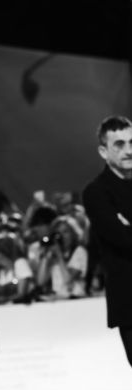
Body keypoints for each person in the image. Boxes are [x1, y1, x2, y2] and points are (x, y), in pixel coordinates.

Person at [83, 115, 132, 367]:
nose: (129, 150)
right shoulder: (96, 192)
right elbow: (122, 239)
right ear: (103, 151)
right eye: (119, 144)